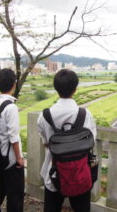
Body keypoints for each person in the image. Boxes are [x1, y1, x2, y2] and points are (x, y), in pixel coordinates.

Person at [37, 69, 97, 212]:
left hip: (54, 172)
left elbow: (46, 143)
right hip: (80, 172)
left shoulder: (44, 116)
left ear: (56, 88)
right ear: (75, 89)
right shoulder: (85, 114)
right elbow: (91, 141)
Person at [0, 68, 24, 212]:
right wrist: (19, 159)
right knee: (15, 195)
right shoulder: (11, 107)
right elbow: (13, 137)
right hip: (10, 160)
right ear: (14, 84)